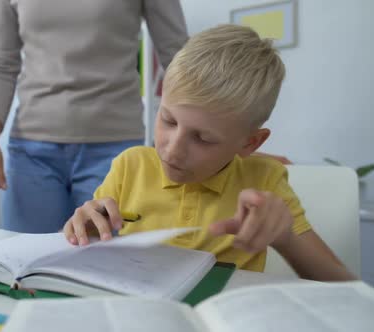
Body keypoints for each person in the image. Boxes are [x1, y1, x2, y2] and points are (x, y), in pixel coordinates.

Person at [62, 24, 355, 281]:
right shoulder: (130, 166)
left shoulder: (265, 181)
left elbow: (343, 285)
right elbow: (91, 243)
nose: (173, 151)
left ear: (250, 143)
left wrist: (285, 237)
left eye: (203, 138)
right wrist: (84, 230)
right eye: (168, 120)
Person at [0, 0, 188, 233]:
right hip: (31, 152)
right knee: (27, 260)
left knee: (105, 261)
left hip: (114, 149)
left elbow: (178, 57)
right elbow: (1, 64)